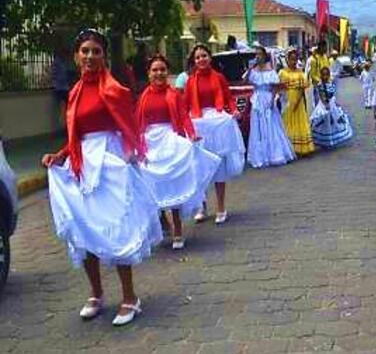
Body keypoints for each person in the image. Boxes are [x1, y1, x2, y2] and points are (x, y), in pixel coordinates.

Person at [41, 29, 162, 326]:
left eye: (96, 51)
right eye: (85, 51)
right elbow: (76, 136)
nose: (90, 56)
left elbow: (128, 126)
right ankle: (96, 293)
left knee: (114, 228)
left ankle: (130, 297)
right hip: (82, 164)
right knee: (85, 229)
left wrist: (132, 151)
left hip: (109, 164)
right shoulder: (74, 93)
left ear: (104, 56)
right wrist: (60, 155)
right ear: (76, 56)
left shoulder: (115, 90)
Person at [136, 54, 221, 250]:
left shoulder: (173, 94)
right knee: (151, 185)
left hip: (170, 140)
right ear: (148, 74)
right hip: (150, 143)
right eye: (154, 70)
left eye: (162, 70)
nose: (159, 73)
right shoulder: (143, 97)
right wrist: (136, 145)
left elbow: (183, 117)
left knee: (172, 184)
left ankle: (177, 229)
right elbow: (138, 123)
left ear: (168, 73)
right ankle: (161, 223)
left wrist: (191, 134)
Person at [184, 44, 246, 225]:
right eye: (197, 57)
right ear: (193, 62)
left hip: (217, 123)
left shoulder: (218, 78)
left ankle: (221, 206)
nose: (201, 60)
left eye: (204, 56)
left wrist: (234, 111)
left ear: (209, 58)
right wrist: (186, 128)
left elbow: (228, 99)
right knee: (199, 167)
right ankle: (201, 206)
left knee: (219, 167)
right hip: (198, 123)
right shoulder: (190, 81)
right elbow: (185, 107)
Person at [246, 46, 295, 168]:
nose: (257, 56)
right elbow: (247, 81)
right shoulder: (253, 70)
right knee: (258, 127)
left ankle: (275, 153)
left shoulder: (270, 70)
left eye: (260, 54)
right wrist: (249, 69)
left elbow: (275, 87)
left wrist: (272, 100)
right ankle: (260, 155)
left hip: (267, 98)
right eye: (256, 54)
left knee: (271, 125)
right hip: (257, 100)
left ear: (264, 55)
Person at [279, 48, 316, 156]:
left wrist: (297, 101)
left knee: (299, 122)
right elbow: (279, 87)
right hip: (286, 99)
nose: (293, 62)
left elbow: (302, 88)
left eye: (295, 59)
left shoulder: (300, 72)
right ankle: (288, 147)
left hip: (297, 101)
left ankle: (300, 148)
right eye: (291, 59)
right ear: (287, 59)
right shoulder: (282, 72)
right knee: (287, 121)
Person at [310, 67, 354, 148]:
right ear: (321, 75)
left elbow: (333, 95)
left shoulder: (331, 83)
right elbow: (321, 96)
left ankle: (331, 140)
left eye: (327, 75)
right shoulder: (320, 85)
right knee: (324, 123)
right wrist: (326, 105)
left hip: (332, 105)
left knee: (334, 122)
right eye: (324, 75)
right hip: (324, 106)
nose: (325, 77)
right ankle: (323, 140)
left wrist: (335, 103)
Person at [308, 40, 331, 105]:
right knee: (319, 107)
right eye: (324, 47)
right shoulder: (314, 59)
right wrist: (320, 82)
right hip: (318, 87)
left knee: (328, 106)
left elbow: (328, 69)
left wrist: (328, 81)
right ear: (320, 47)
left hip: (327, 85)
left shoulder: (325, 57)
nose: (326, 49)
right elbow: (312, 75)